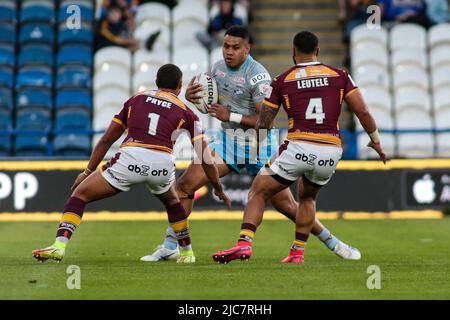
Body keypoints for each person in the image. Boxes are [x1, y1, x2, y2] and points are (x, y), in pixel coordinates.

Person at [141, 26, 361, 262]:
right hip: (229, 143)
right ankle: (171, 245)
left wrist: (230, 116)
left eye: (235, 47)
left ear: (247, 49)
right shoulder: (217, 68)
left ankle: (333, 242)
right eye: (226, 46)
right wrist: (195, 99)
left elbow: (263, 120)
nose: (229, 52)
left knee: (287, 206)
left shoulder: (259, 76)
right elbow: (211, 103)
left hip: (259, 145)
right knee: (185, 186)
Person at [212, 31, 387, 264]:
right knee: (307, 199)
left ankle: (245, 243)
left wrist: (258, 144)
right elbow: (363, 111)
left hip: (299, 146)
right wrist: (375, 141)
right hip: (331, 149)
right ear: (318, 51)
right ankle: (297, 252)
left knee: (258, 191)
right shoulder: (340, 75)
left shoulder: (283, 80)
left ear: (293, 52)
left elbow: (265, 120)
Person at [32, 64, 231, 264]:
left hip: (130, 159)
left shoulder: (136, 100)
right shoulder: (189, 113)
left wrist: (87, 172)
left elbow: (106, 140)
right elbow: (205, 157)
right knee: (172, 202)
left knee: (80, 194)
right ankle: (187, 253)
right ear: (180, 86)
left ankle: (58, 246)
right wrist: (218, 188)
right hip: (162, 164)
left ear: (156, 82)